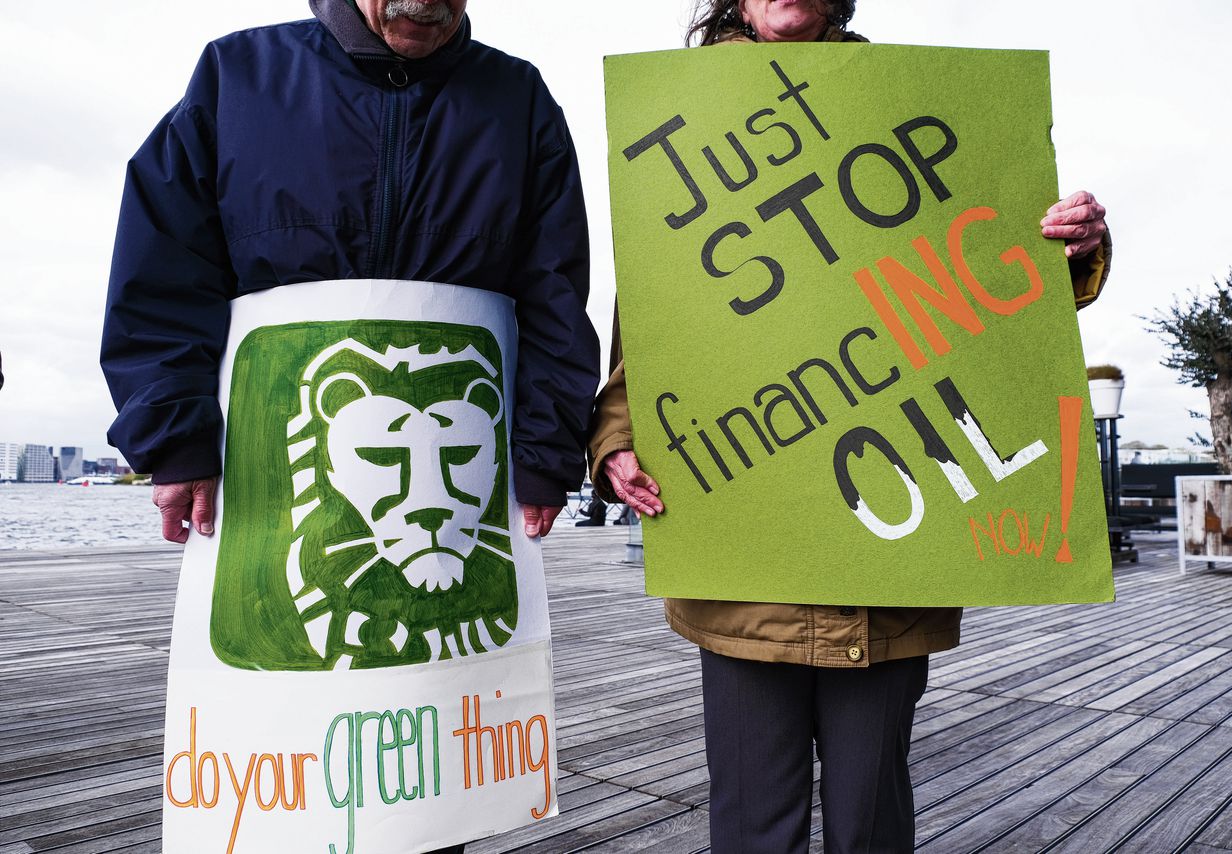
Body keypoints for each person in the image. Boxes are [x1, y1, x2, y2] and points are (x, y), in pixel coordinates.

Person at [587, 1, 1112, 852]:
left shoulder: (923, 104)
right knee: (755, 819)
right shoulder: (678, 123)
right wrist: (615, 442)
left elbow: (996, 274)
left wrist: (1073, 245)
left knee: (872, 820)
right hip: (742, 564)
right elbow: (649, 328)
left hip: (890, 563)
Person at [101, 1, 598, 851]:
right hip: (269, 493)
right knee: (282, 766)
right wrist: (174, 437)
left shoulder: (519, 101)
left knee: (430, 781)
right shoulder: (236, 78)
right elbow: (164, 269)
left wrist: (547, 451)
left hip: (457, 492)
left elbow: (555, 292)